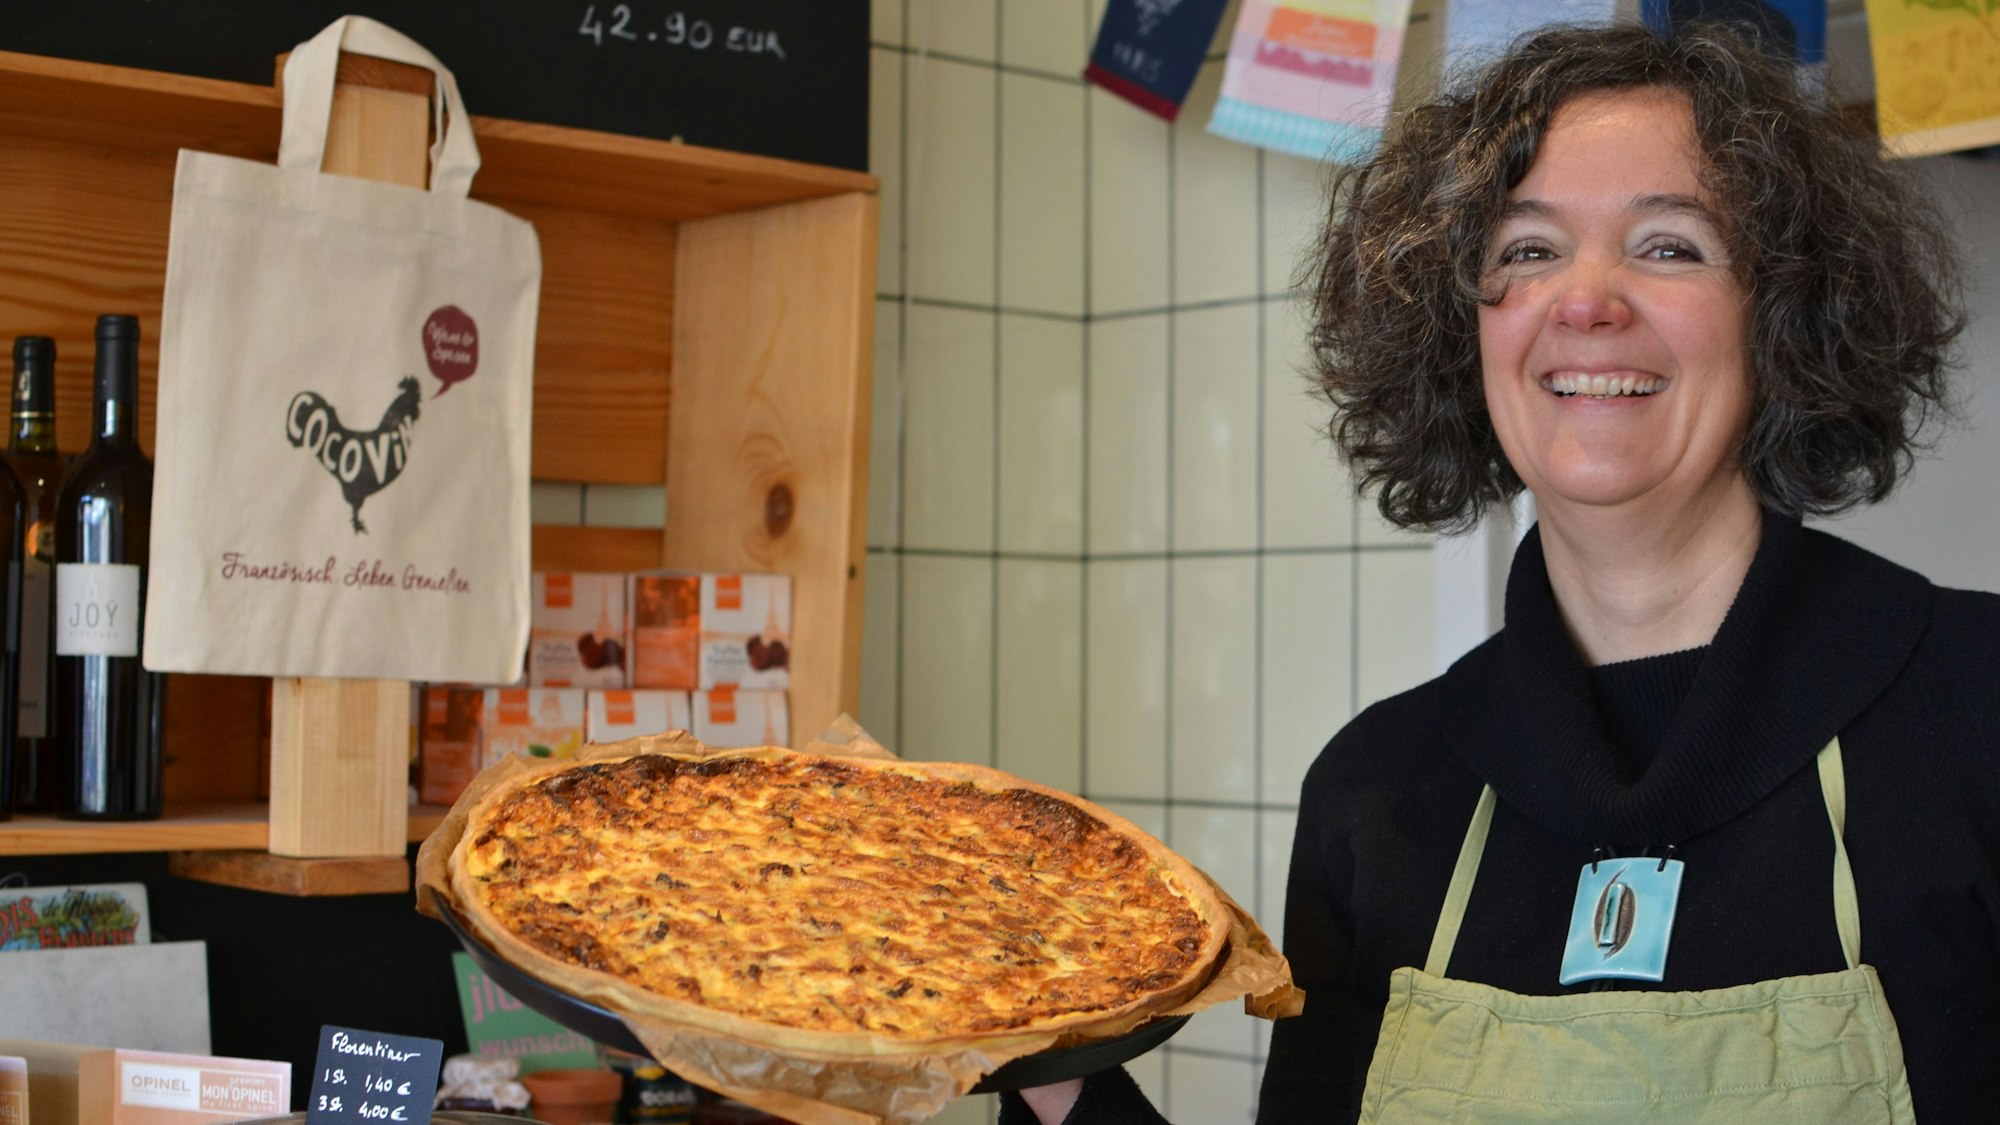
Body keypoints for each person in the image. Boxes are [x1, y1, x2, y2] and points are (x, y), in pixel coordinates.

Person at [1002, 20, 1989, 1125]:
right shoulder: (1378, 789)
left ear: (1786, 315)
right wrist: (1046, 1051)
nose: (1584, 299)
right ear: (1456, 329)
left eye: (1667, 244)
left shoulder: (1974, 708)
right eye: (1525, 251)